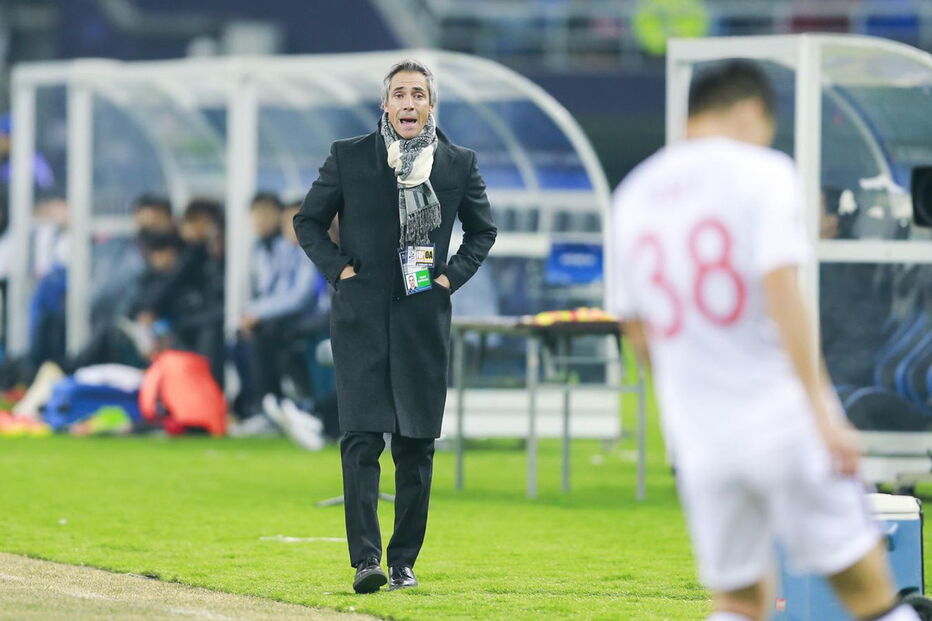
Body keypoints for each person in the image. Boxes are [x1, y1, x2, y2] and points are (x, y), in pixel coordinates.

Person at [609, 60, 921, 621]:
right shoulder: (762, 172)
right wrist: (824, 413)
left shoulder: (633, 194)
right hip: (780, 419)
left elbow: (640, 334)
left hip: (704, 437)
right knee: (869, 592)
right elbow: (783, 292)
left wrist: (687, 417)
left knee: (739, 602)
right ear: (752, 112)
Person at [294, 59, 496, 593]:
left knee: (416, 445)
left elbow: (483, 231)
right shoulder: (350, 156)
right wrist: (339, 271)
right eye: (400, 94)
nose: (409, 104)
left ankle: (403, 560)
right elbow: (307, 220)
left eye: (419, 95)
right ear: (385, 104)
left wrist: (449, 279)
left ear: (432, 106)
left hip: (422, 321)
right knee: (360, 440)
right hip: (359, 318)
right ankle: (366, 562)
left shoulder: (458, 163)